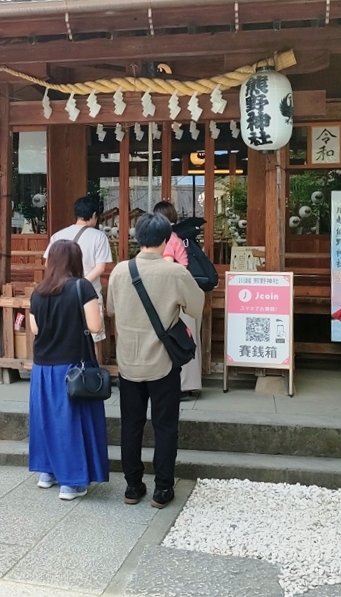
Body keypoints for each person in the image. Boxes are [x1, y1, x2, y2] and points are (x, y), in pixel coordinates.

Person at [106, 213, 205, 508]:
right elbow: (197, 307)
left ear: (138, 238)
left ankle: (133, 487)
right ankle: (162, 488)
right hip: (163, 362)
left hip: (128, 362)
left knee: (131, 425)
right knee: (165, 426)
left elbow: (111, 309)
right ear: (166, 239)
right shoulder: (174, 273)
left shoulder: (120, 271)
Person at [28, 240, 109, 501]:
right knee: (71, 423)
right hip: (73, 366)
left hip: (42, 368)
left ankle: (47, 472)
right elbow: (95, 327)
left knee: (47, 421)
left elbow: (35, 329)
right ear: (76, 260)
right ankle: (71, 482)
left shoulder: (38, 291)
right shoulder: (81, 287)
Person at [44, 196, 114, 351]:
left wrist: (65, 283)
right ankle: (90, 373)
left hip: (59, 292)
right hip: (88, 293)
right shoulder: (99, 236)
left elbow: (48, 264)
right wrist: (79, 284)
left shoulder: (58, 235)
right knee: (92, 338)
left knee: (63, 335)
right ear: (94, 215)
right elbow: (100, 268)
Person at [152, 200, 202, 398]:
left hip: (172, 294)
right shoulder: (177, 236)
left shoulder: (167, 239)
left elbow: (167, 266)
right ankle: (188, 384)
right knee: (187, 337)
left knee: (176, 338)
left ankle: (180, 385)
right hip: (185, 291)